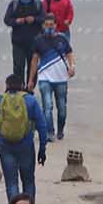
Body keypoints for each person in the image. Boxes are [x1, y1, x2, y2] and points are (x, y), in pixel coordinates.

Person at [0, 74, 48, 199]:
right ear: (22, 86)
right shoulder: (30, 101)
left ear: (6, 85)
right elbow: (42, 125)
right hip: (26, 146)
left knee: (11, 183)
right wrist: (42, 149)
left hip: (5, 146)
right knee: (28, 181)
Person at [29, 12, 75, 141]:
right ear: (43, 25)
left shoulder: (62, 39)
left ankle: (60, 130)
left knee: (62, 109)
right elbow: (34, 60)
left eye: (51, 25)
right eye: (47, 25)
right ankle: (50, 132)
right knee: (47, 107)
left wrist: (72, 67)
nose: (49, 27)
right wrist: (31, 80)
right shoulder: (38, 40)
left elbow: (69, 53)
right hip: (45, 78)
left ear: (55, 25)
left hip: (61, 79)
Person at [3, 0, 44, 85]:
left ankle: (30, 87)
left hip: (34, 42)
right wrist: (16, 21)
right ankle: (19, 87)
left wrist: (34, 19)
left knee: (32, 66)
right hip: (18, 42)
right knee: (18, 66)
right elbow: (7, 20)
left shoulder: (38, 4)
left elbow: (44, 18)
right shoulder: (14, 4)